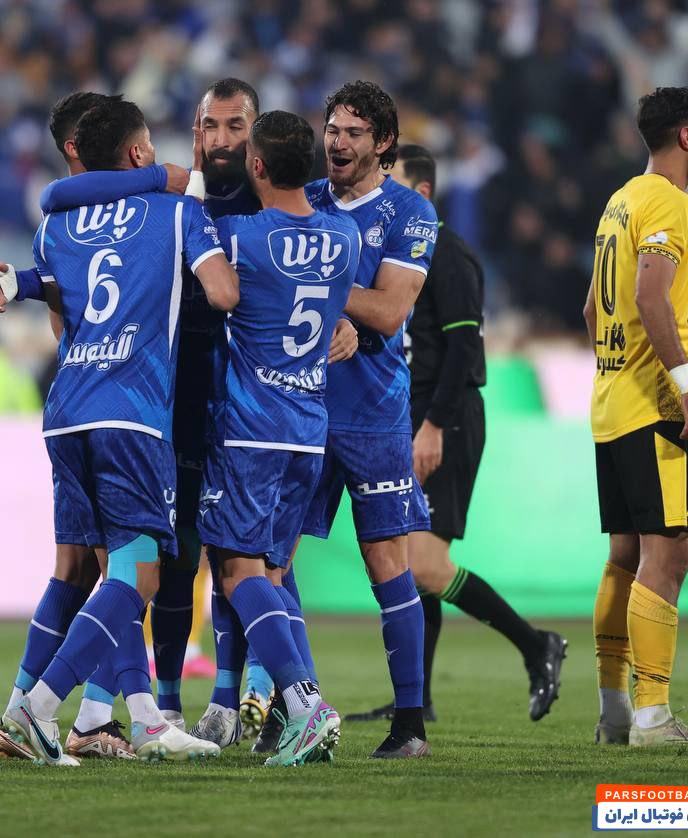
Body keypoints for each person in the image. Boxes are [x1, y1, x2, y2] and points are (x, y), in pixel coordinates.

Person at [32, 80, 360, 742]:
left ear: (257, 140)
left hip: (238, 407)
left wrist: (343, 317)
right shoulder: (189, 199)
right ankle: (163, 704)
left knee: (246, 560)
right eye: (212, 126)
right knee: (176, 557)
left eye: (237, 126)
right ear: (197, 131)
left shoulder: (239, 207)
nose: (223, 139)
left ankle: (241, 700)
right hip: (174, 396)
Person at [0, 97, 238, 766]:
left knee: (109, 570)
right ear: (137, 153)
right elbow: (223, 293)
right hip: (131, 412)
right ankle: (38, 709)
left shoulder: (56, 226)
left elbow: (61, 321)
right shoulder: (177, 211)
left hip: (67, 408)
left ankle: (138, 720)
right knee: (137, 576)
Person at [348, 145, 568, 726]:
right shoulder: (399, 254)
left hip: (446, 419)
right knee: (409, 562)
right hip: (411, 418)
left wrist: (434, 426)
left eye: (392, 184)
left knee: (424, 564)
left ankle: (536, 644)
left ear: (420, 193)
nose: (381, 196)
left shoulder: (448, 254)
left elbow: (464, 347)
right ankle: (415, 700)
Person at [192, 110, 358, 764]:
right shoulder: (345, 237)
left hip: (250, 429)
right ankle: (295, 714)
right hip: (308, 431)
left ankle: (306, 703)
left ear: (255, 166)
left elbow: (212, 277)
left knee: (237, 572)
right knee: (274, 574)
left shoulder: (239, 237)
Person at [290, 81, 435, 759]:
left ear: (383, 143)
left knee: (387, 565)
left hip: (374, 415)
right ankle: (293, 703)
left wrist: (318, 288)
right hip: (297, 407)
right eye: (332, 130)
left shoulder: (410, 212)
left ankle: (409, 725)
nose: (337, 143)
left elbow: (389, 310)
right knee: (268, 558)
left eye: (353, 133)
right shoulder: (304, 199)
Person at [585, 86, 688, 748]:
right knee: (668, 556)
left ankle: (615, 714)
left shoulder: (620, 201)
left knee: (624, 557)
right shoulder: (671, 201)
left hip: (612, 404)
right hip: (655, 407)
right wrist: (685, 387)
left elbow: (592, 309)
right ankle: (652, 717)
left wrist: (619, 369)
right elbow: (649, 295)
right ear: (686, 137)